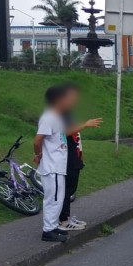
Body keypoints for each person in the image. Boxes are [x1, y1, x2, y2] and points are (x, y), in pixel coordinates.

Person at [33, 84, 91, 242]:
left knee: (57, 199)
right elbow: (38, 140)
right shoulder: (49, 117)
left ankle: (52, 227)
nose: (72, 101)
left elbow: (61, 135)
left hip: (58, 165)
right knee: (53, 200)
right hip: (52, 166)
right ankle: (48, 231)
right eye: (68, 98)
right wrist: (39, 154)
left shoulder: (57, 117)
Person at [58, 84, 102, 231]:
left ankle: (66, 217)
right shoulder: (60, 113)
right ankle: (63, 220)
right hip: (67, 155)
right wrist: (85, 125)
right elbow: (64, 132)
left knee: (71, 187)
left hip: (75, 154)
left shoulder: (68, 112)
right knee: (66, 189)